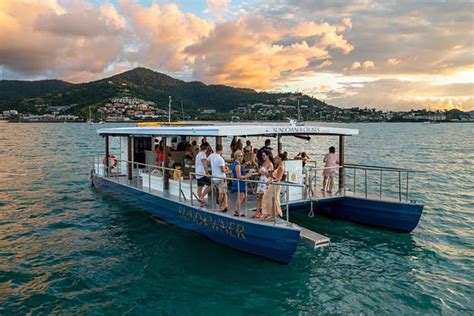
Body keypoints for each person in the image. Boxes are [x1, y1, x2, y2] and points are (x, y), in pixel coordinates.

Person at [261, 155, 285, 219]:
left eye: (276, 158)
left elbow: (279, 178)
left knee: (272, 199)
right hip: (273, 184)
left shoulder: (281, 167)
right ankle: (271, 214)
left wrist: (271, 181)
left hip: (276, 184)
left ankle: (275, 214)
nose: (275, 158)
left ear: (280, 158)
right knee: (270, 198)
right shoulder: (278, 166)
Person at [231, 150, 253, 216]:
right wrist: (248, 175)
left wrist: (245, 164)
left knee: (241, 196)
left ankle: (236, 209)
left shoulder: (236, 164)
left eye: (242, 156)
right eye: (240, 156)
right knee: (241, 197)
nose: (242, 157)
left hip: (239, 182)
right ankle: (238, 210)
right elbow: (239, 176)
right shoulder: (237, 165)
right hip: (239, 182)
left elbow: (240, 168)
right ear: (237, 157)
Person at [208, 144, 228, 212]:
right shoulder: (221, 159)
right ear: (221, 150)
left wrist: (212, 167)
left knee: (223, 193)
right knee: (221, 193)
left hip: (214, 177)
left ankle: (224, 205)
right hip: (221, 178)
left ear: (215, 149)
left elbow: (207, 162)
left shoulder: (211, 156)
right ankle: (220, 206)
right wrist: (226, 169)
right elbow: (222, 170)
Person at [255, 149, 274, 218]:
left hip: (265, 182)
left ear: (268, 155)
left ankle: (261, 213)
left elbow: (270, 175)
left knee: (262, 197)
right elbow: (260, 172)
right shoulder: (264, 163)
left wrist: (262, 173)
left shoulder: (270, 164)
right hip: (261, 181)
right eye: (262, 155)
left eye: (264, 155)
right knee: (259, 197)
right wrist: (257, 166)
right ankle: (258, 212)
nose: (262, 157)